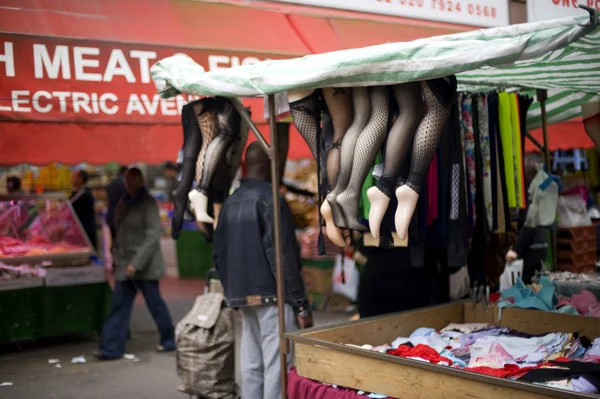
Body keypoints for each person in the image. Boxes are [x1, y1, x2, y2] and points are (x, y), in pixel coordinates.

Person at [213, 142, 312, 399]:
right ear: (272, 164)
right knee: (277, 364)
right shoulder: (271, 198)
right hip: (272, 294)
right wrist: (300, 303)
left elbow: (219, 254)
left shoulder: (231, 201)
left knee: (252, 363)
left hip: (242, 295)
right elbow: (283, 255)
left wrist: (233, 292)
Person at [94, 168, 175, 360]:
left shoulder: (147, 203)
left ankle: (169, 338)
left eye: (131, 182)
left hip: (143, 266)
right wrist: (118, 257)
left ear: (141, 181)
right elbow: (120, 229)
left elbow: (153, 235)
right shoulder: (125, 201)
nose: (128, 185)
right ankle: (111, 348)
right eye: (126, 182)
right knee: (120, 304)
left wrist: (136, 263)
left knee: (154, 303)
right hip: (125, 264)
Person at [70, 169, 97, 250]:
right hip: (80, 232)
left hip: (85, 232)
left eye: (74, 177)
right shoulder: (77, 192)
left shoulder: (85, 194)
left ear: (80, 179)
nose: (71, 179)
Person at [106, 165, 128, 241]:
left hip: (111, 217)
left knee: (115, 241)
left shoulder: (111, 184)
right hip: (121, 219)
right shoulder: (125, 184)